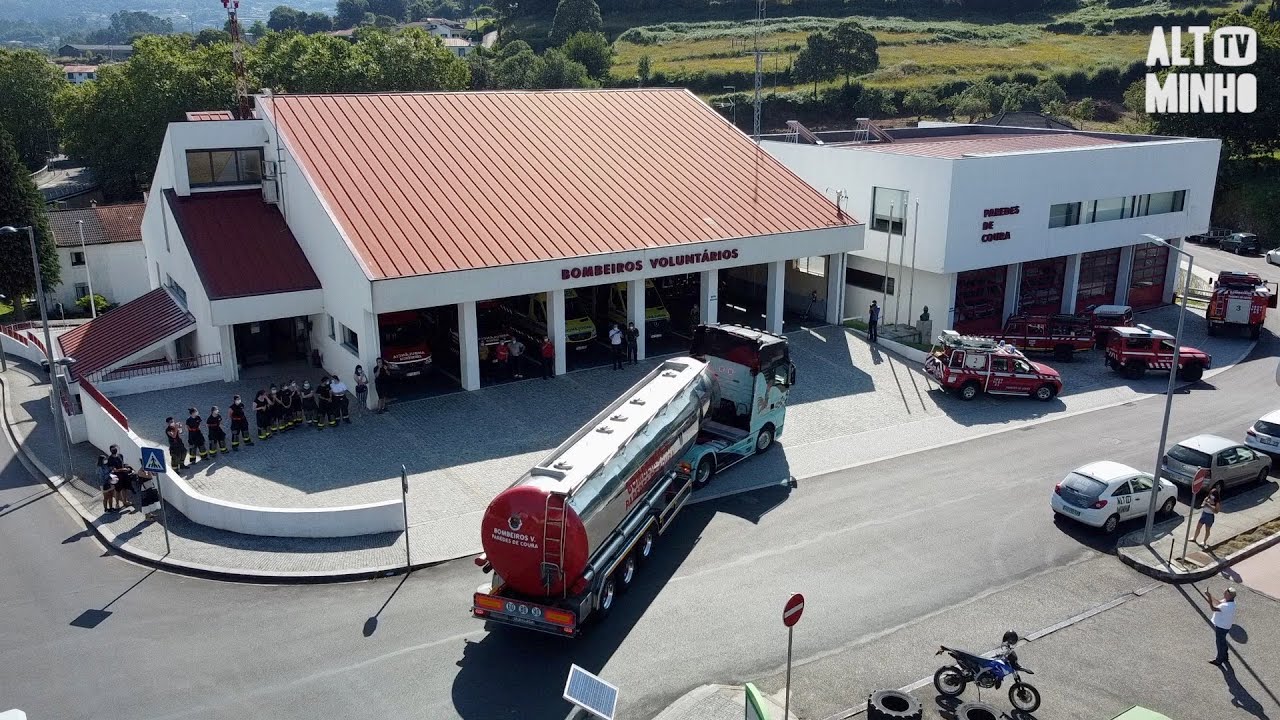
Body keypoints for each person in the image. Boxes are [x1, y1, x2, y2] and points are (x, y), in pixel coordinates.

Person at [1205, 586, 1237, 667]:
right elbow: (1219, 602)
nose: (1224, 593)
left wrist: (1209, 598)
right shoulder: (1230, 602)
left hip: (1221, 627)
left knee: (1219, 643)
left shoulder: (1225, 606)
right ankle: (1225, 657)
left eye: (1225, 593)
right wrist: (1210, 596)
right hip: (1226, 626)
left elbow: (1213, 608)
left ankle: (1219, 660)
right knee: (1223, 641)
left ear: (1229, 595)